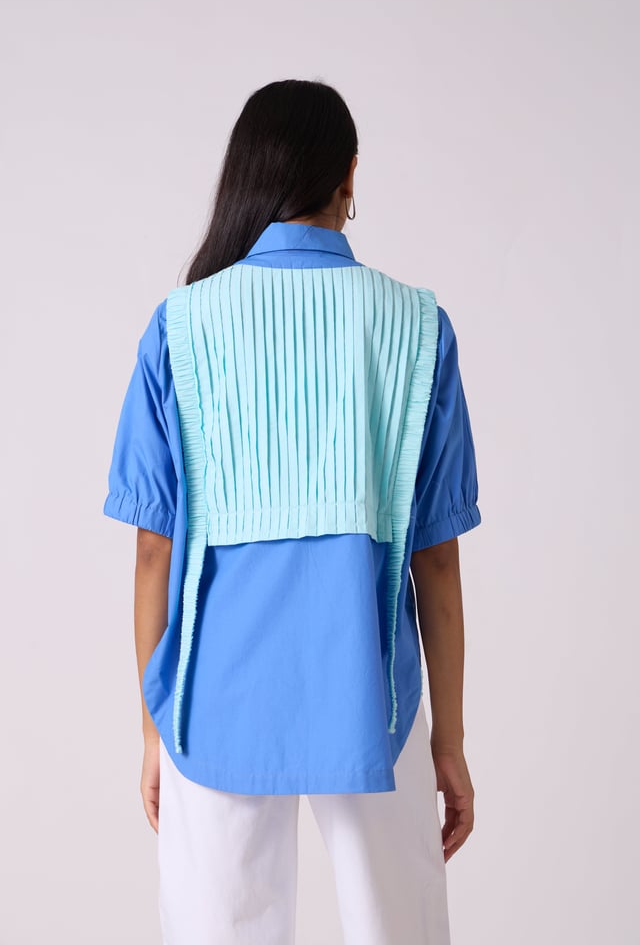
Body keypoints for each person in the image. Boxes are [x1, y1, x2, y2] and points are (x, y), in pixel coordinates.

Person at [103, 78, 481, 945]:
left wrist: (153, 732)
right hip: (374, 695)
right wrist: (449, 744)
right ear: (350, 175)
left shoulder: (181, 325)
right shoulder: (417, 326)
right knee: (401, 931)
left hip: (211, 697)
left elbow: (154, 551)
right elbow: (437, 561)